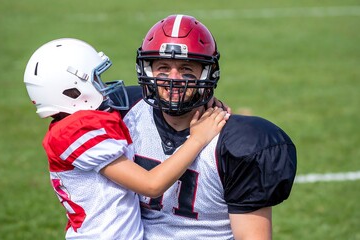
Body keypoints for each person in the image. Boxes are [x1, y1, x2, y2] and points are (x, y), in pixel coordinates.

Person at [23, 38, 229, 239]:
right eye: (96, 79)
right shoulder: (74, 132)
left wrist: (198, 98)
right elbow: (151, 185)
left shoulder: (78, 123)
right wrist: (197, 139)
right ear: (72, 90)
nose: (103, 86)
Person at [122, 14, 297, 239]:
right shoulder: (123, 111)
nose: (173, 79)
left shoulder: (239, 143)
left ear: (207, 74)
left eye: (186, 70)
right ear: (147, 71)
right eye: (163, 68)